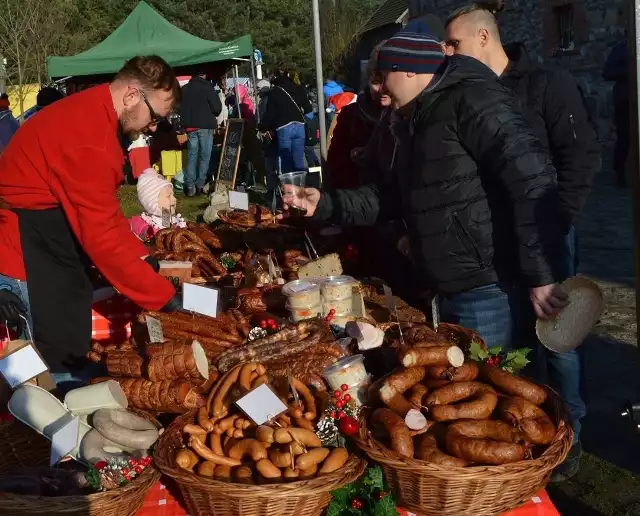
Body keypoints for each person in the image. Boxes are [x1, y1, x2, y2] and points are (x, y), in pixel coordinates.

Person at [282, 21, 568, 343]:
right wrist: (324, 203)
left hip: (488, 287)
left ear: (405, 71)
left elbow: (531, 181)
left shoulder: (473, 100)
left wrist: (541, 274)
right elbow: (389, 197)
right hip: (443, 284)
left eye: (383, 76)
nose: (381, 89)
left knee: (495, 380)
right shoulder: (411, 118)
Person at [444, 0, 600, 480]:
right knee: (515, 346)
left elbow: (580, 157)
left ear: (484, 38)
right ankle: (529, 433)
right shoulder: (467, 93)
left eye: (455, 43)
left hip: (547, 235)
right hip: (496, 244)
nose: (446, 52)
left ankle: (570, 432)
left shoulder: (545, 85)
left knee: (558, 341)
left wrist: (559, 221)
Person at [0, 56, 183, 387]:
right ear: (131, 95)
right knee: (50, 366)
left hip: (52, 242)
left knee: (70, 341)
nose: (152, 127)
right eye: (154, 118)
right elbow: (100, 236)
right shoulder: (89, 136)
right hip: (26, 251)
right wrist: (164, 299)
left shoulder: (95, 112)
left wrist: (145, 258)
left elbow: (106, 213)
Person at [326, 41, 392, 189]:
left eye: (388, 80)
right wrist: (352, 158)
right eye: (376, 81)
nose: (382, 89)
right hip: (357, 199)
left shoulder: (408, 115)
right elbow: (334, 167)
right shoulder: (350, 116)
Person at [260, 69, 312, 172]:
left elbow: (270, 114)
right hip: (300, 125)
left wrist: (263, 126)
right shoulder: (298, 88)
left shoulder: (274, 92)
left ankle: (288, 186)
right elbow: (309, 108)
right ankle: (299, 185)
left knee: (286, 161)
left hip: (284, 127)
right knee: (299, 160)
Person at [180, 73, 222, 196]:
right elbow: (217, 108)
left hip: (190, 127)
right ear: (203, 75)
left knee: (192, 156)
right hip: (205, 125)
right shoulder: (207, 87)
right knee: (205, 156)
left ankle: (190, 186)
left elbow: (178, 108)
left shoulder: (185, 89)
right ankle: (200, 185)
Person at [603, 35, 629, 187]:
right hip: (625, 99)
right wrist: (629, 70)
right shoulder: (620, 49)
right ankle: (619, 172)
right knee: (625, 138)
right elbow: (607, 73)